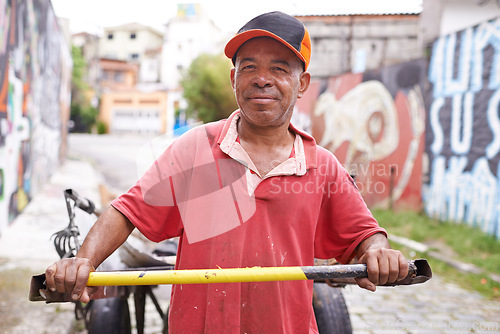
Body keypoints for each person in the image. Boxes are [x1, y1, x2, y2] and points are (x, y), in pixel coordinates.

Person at [45, 11, 408, 333]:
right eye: (249, 67)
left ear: (302, 84)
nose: (261, 79)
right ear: (234, 78)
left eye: (279, 68)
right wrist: (84, 260)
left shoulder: (323, 166)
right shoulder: (194, 149)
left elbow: (365, 234)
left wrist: (380, 252)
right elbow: (127, 211)